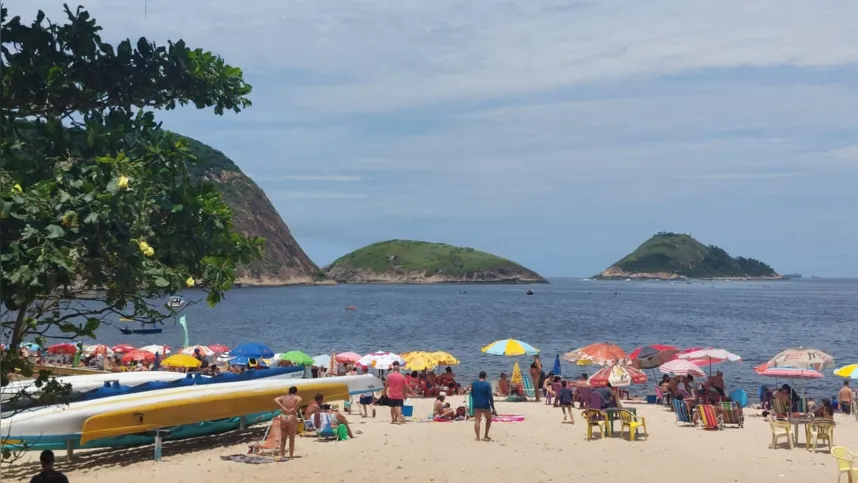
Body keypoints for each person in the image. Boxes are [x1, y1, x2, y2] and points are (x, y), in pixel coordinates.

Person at [273, 386, 302, 460]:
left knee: (283, 438)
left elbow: (275, 399)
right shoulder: (296, 397)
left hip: (283, 417)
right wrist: (294, 407)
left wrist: (283, 407)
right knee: (291, 438)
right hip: (291, 417)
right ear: (295, 392)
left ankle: (282, 455)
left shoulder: (283, 397)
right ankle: (291, 456)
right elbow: (300, 399)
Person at [471, 371, 497, 441]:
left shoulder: (474, 384)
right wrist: (493, 408)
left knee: (477, 420)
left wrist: (476, 400)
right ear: (485, 376)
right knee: (488, 419)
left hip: (476, 404)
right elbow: (490, 397)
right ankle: (486, 435)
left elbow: (472, 394)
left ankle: (477, 437)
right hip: (485, 404)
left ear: (479, 376)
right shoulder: (487, 384)